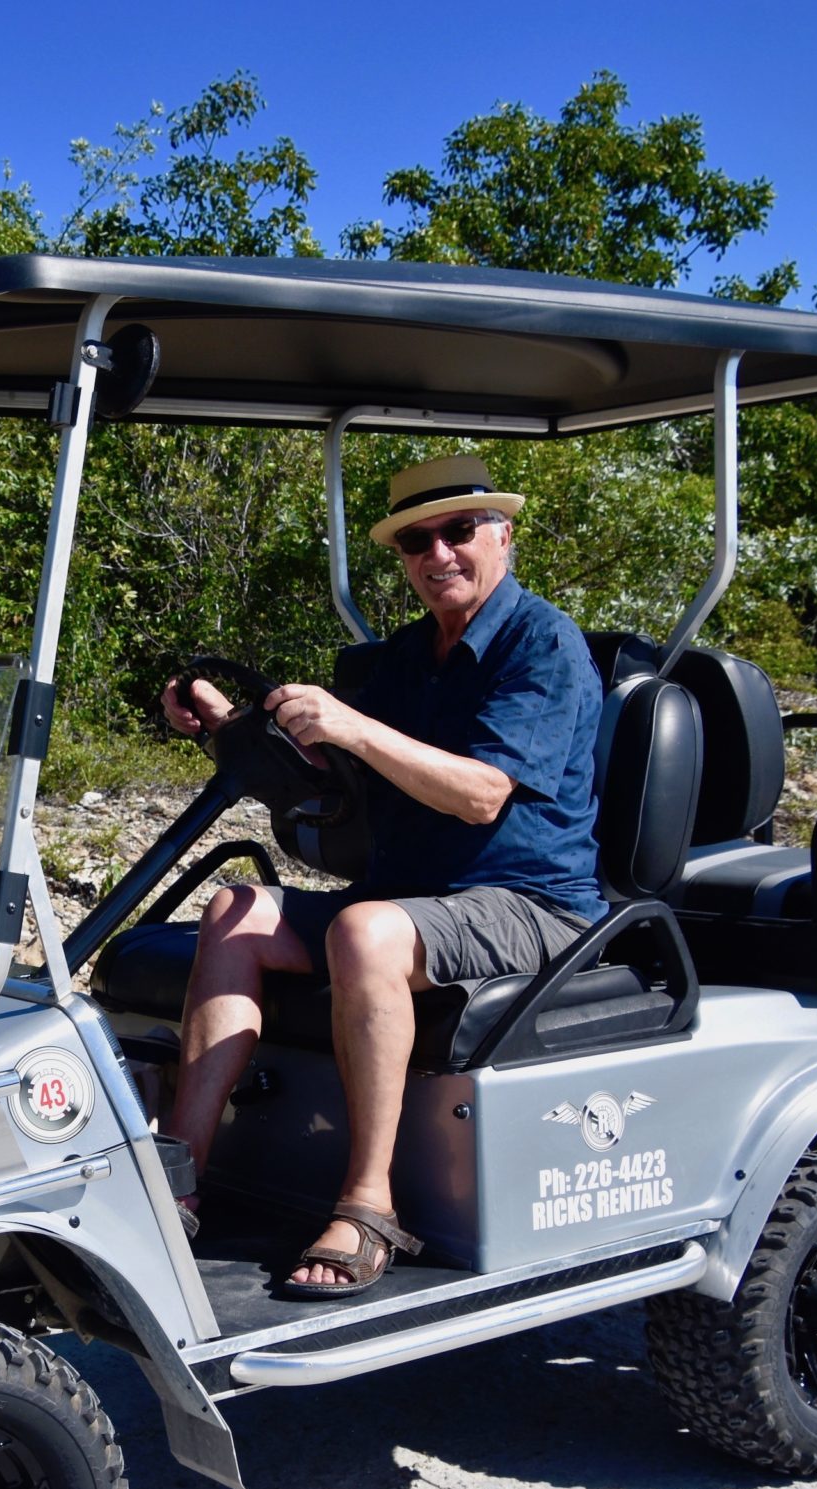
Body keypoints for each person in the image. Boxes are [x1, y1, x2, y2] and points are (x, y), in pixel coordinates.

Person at [159, 453, 606, 1297]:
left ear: (502, 533)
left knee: (367, 931)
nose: (438, 553)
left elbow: (480, 795)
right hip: (412, 897)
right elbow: (338, 781)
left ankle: (369, 1206)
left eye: (458, 530)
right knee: (233, 909)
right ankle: (178, 1180)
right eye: (415, 539)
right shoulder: (406, 656)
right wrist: (225, 725)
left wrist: (353, 726)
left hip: (532, 902)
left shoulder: (542, 643)